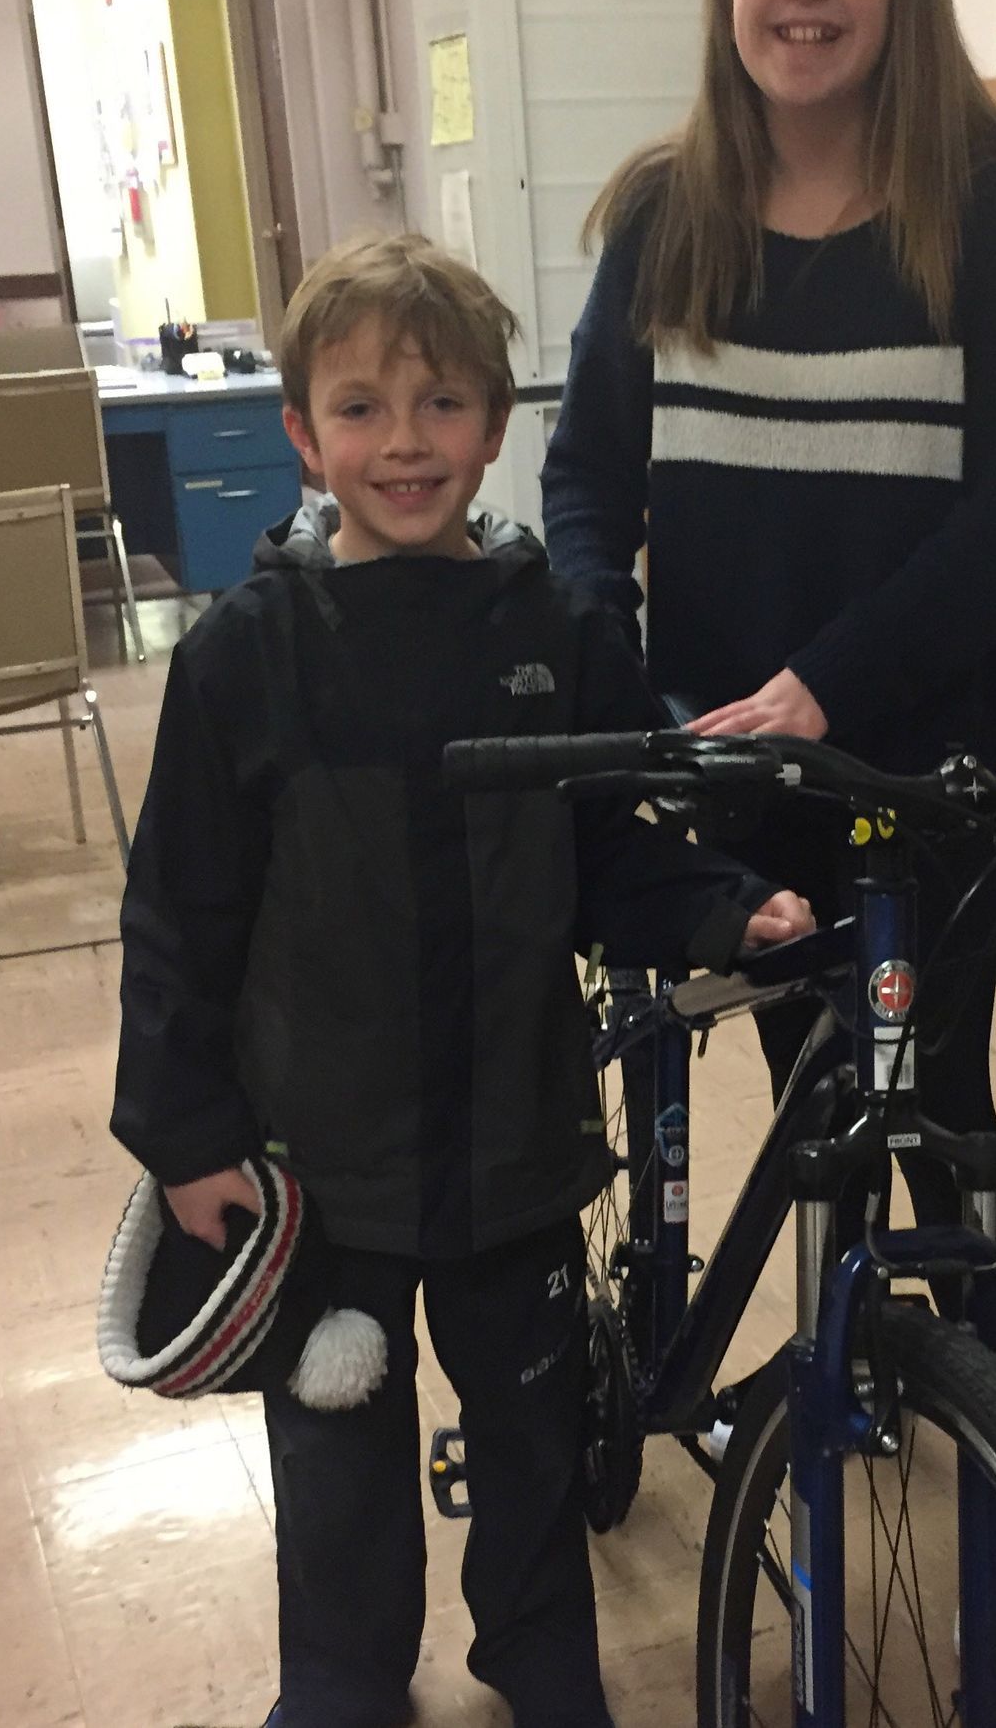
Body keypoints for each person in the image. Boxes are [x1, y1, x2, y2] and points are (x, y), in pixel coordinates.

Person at [110, 234, 810, 1728]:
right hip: (318, 1167)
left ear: (497, 424)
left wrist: (730, 909)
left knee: (535, 1434)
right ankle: (346, 1674)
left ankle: (540, 1650)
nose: (402, 441)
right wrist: (185, 1136)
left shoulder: (555, 636)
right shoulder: (247, 654)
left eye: (439, 403)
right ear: (300, 432)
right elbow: (176, 912)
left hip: (516, 1148)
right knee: (336, 1444)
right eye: (359, 407)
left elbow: (609, 852)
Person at [542, 0, 996, 1400]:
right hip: (720, 765)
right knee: (807, 1101)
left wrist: (831, 682)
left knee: (938, 1116)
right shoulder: (663, 216)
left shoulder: (983, 210)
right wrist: (613, 674)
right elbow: (585, 483)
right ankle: (852, 1371)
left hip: (914, 777)